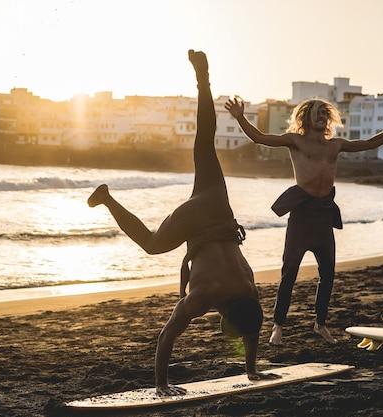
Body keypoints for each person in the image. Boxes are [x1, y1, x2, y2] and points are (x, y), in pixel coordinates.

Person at [88, 50, 279, 396]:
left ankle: (203, 78)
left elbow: (253, 328)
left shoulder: (251, 294)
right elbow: (166, 336)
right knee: (151, 244)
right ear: (226, 318)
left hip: (219, 205)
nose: (235, 335)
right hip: (198, 222)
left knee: (204, 143)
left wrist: (253, 372)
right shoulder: (203, 298)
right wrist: (161, 385)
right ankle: (107, 198)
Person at [225, 96, 383, 345]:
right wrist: (241, 117)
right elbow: (260, 138)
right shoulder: (293, 140)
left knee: (328, 274)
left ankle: (320, 324)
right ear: (306, 117)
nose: (322, 117)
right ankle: (278, 325)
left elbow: (371, 143)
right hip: (302, 217)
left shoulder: (335, 145)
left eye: (325, 114)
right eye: (318, 113)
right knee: (289, 272)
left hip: (324, 216)